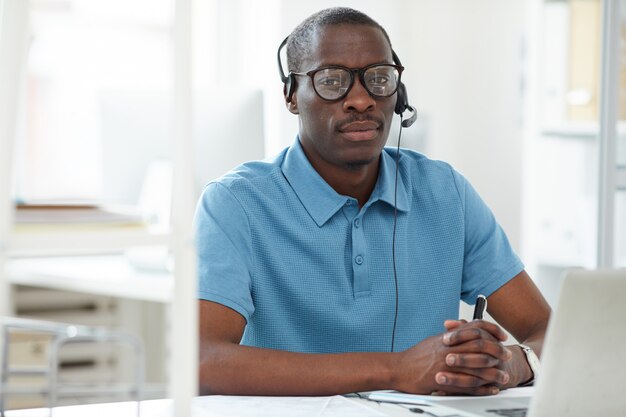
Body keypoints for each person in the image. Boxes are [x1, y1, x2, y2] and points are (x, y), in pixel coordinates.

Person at [195, 7, 551, 397]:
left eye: (379, 78)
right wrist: (395, 370)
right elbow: (203, 360)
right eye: (332, 81)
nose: (361, 100)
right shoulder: (235, 203)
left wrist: (512, 364)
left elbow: (549, 331)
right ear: (292, 96)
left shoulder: (446, 193)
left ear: (399, 95)